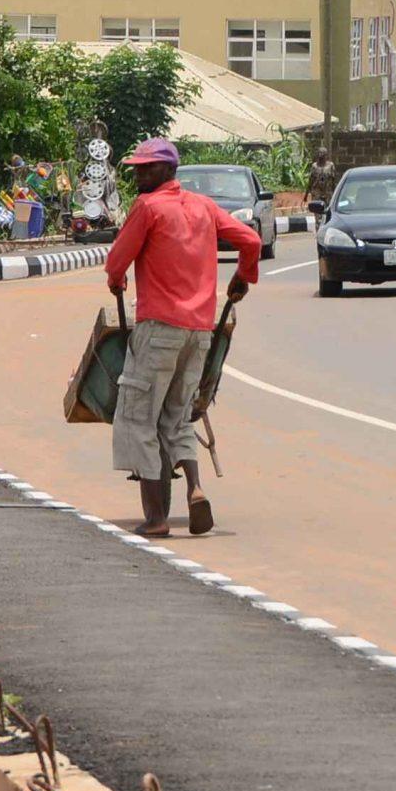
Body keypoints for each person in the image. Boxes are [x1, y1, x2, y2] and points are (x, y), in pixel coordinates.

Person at [104, 137, 259, 539]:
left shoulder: (148, 208)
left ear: (167, 170)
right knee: (178, 416)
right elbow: (251, 241)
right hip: (200, 331)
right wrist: (244, 275)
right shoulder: (204, 207)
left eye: (147, 168)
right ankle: (194, 488)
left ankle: (156, 519)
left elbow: (117, 259)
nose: (138, 173)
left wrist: (116, 278)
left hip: (159, 330)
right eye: (136, 167)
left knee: (140, 417)